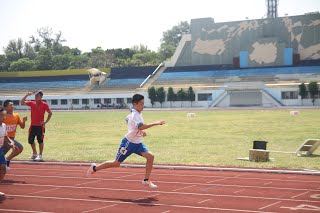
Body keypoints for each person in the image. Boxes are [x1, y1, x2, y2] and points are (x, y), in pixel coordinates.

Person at [87, 94, 165, 189]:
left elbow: (130, 121)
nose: (142, 105)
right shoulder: (135, 114)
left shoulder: (136, 113)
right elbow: (140, 126)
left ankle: (146, 180)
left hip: (138, 144)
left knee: (150, 157)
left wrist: (140, 132)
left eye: (143, 103)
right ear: (135, 104)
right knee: (116, 163)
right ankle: (94, 168)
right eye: (141, 104)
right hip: (128, 144)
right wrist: (155, 123)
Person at [21, 90, 52, 161]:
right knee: (30, 140)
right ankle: (34, 153)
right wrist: (27, 95)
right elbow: (22, 102)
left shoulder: (44, 104)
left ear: (41, 97)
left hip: (40, 126)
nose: (36, 97)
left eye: (37, 96)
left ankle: (40, 155)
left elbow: (50, 113)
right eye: (35, 96)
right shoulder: (32, 103)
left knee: (40, 140)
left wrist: (45, 122)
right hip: (32, 125)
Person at [2, 100, 27, 170]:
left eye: (13, 105)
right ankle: (7, 161)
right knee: (19, 148)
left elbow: (22, 126)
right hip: (4, 139)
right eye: (10, 105)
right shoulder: (3, 117)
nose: (12, 106)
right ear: (5, 107)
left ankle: (5, 161)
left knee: (1, 155)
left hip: (11, 138)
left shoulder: (16, 116)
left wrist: (24, 121)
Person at [0, 107, 18, 196]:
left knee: (3, 169)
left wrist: (11, 143)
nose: (4, 118)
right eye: (2, 115)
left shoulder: (3, 125)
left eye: (4, 115)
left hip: (0, 150)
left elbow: (5, 136)